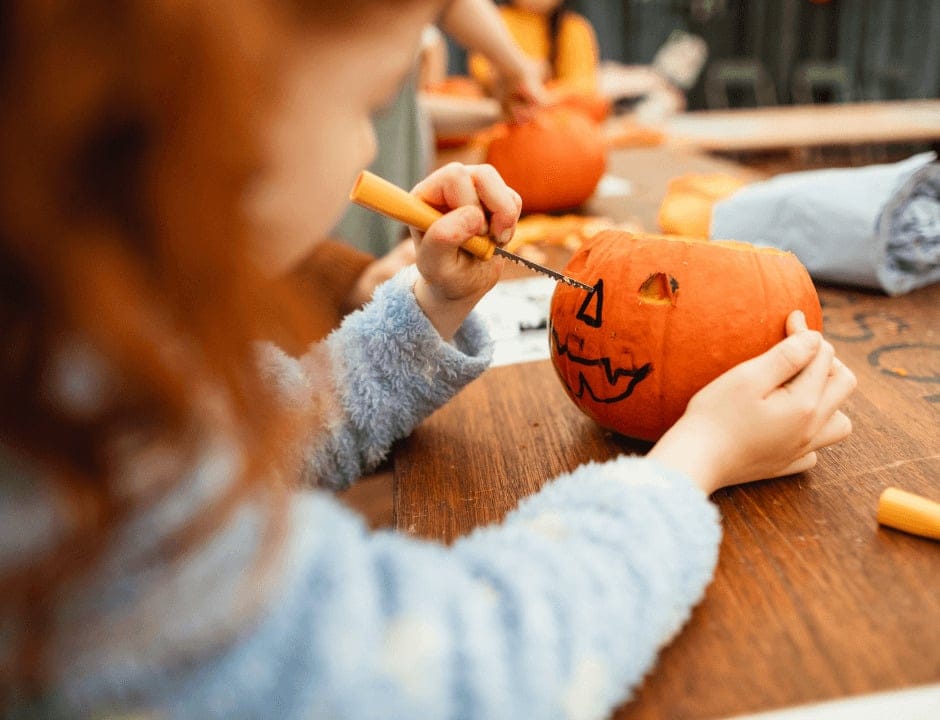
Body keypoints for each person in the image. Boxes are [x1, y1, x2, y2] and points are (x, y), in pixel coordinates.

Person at [0, 1, 856, 719]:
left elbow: (276, 425)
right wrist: (689, 466)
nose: (373, 151)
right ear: (206, 108)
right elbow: (456, 668)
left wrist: (430, 308)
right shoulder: (84, 466)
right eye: (368, 102)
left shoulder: (86, 361)